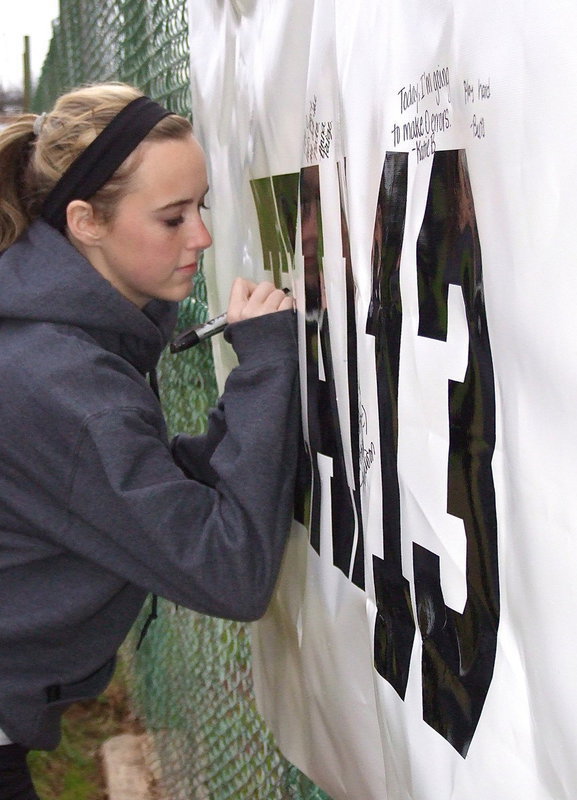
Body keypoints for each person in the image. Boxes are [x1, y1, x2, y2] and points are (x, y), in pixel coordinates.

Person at [0, 82, 299, 799]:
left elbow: (138, 491)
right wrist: (270, 368)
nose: (200, 237)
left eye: (203, 208)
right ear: (85, 221)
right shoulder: (63, 384)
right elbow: (228, 571)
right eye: (172, 218)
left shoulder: (53, 341)